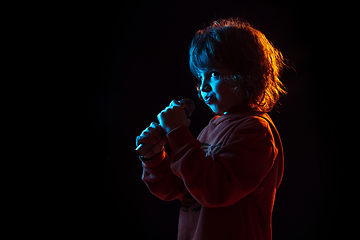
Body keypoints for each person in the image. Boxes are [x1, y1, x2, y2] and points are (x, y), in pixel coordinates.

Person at [135, 18, 287, 240]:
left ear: (246, 76)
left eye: (214, 74)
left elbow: (215, 190)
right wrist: (155, 158)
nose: (203, 87)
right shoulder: (213, 126)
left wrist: (177, 132)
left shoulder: (256, 130)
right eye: (200, 77)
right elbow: (178, 188)